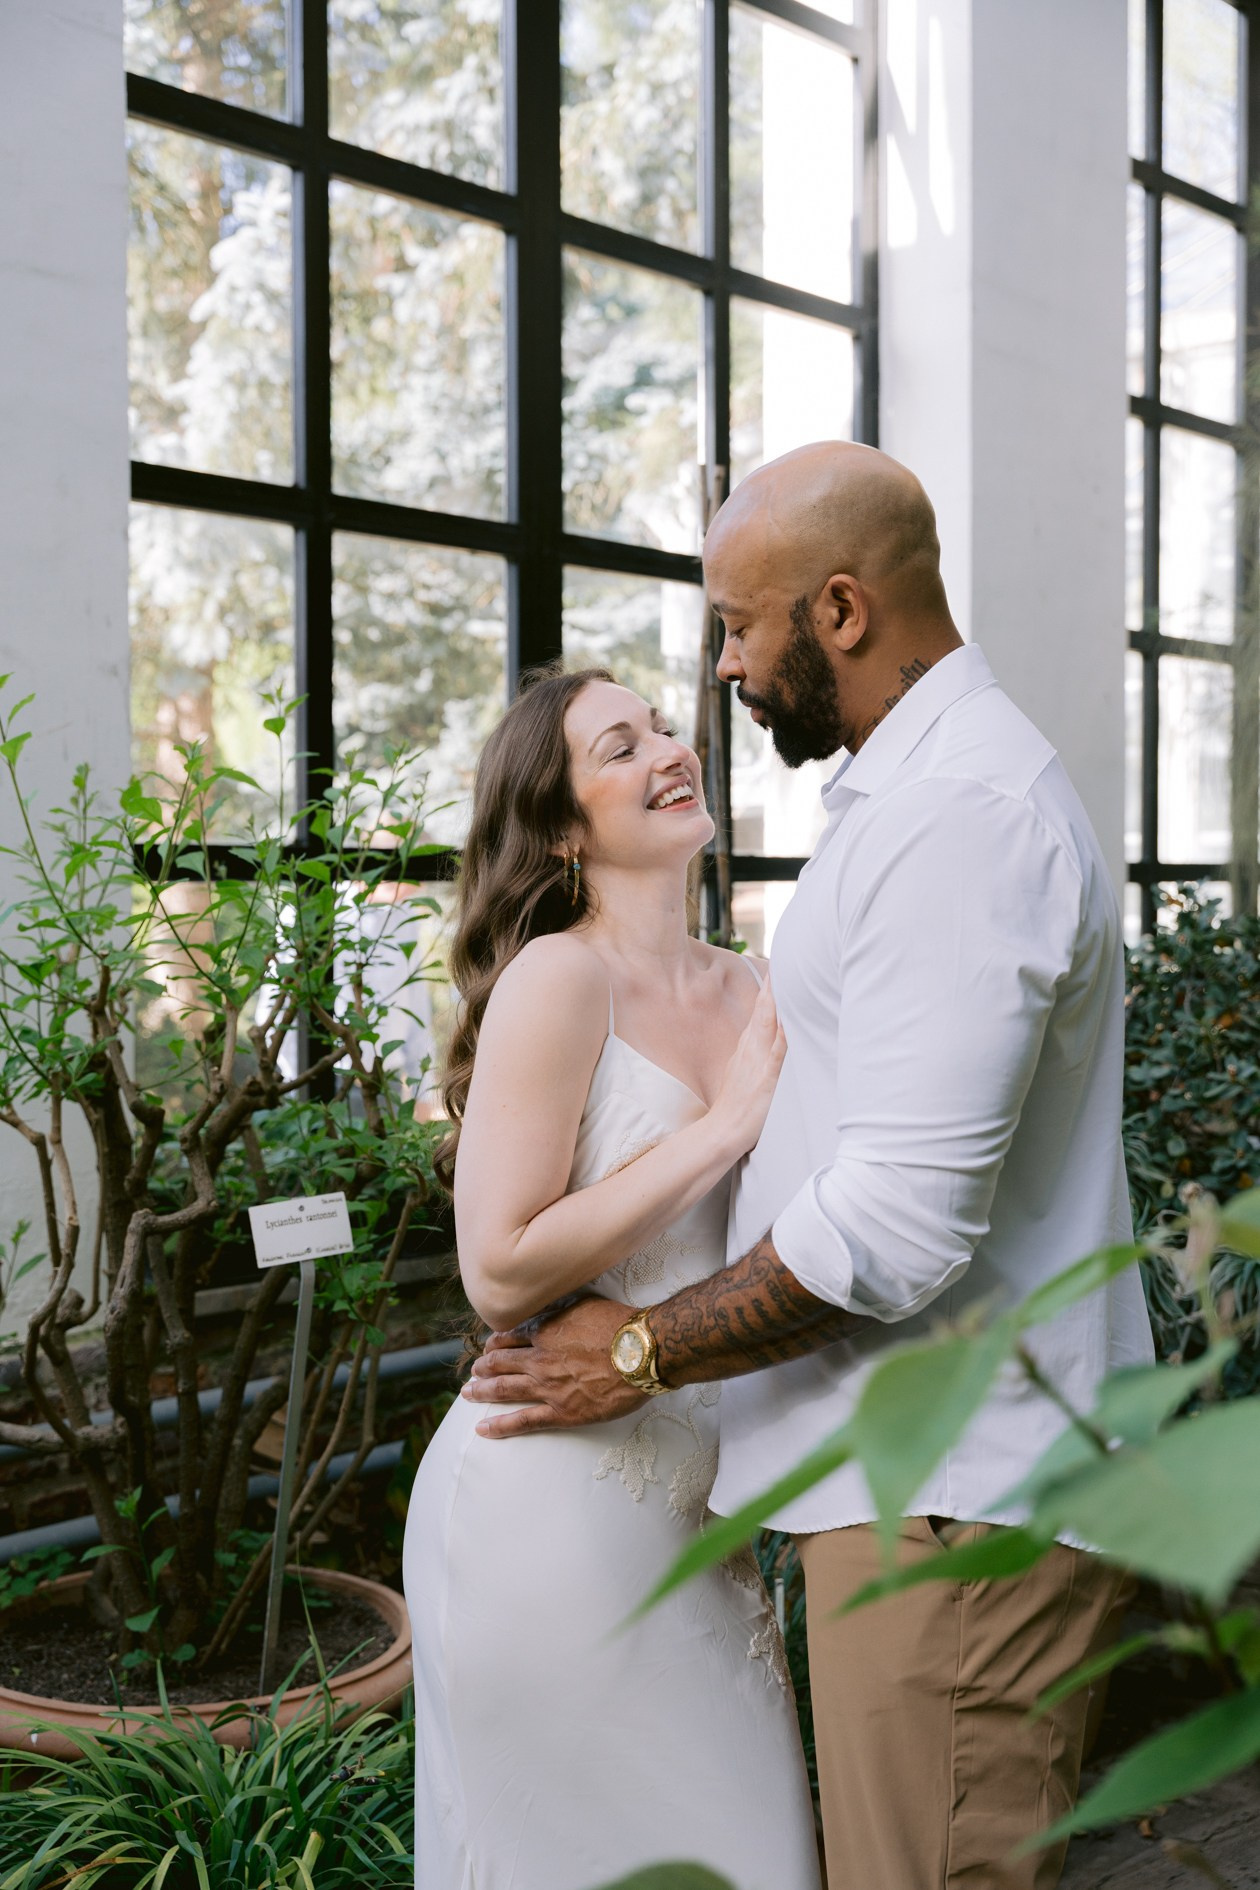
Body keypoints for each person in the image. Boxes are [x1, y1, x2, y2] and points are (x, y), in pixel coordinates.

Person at [466, 441, 1156, 1890]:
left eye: (736, 623)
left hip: (957, 1506)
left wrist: (644, 1348)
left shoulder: (954, 820)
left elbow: (892, 1228)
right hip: (887, 1495)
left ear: (839, 611)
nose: (720, 673)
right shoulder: (908, 804)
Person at [402, 664, 821, 1890]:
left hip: (701, 1510)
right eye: (618, 746)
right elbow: (498, 1266)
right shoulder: (558, 977)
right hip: (551, 1505)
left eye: (664, 730)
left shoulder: (752, 989)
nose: (666, 753)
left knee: (754, 1854)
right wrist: (723, 1124)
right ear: (565, 825)